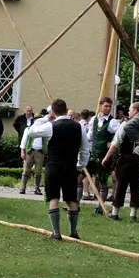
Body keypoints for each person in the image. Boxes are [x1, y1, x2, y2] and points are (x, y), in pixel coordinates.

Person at [26, 99, 90, 240]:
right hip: (71, 166)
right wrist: (80, 166)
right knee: (71, 199)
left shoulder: (50, 126)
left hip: (54, 166)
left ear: (53, 112)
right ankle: (73, 232)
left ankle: (56, 232)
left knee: (53, 197)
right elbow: (85, 149)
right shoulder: (79, 127)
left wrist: (43, 119)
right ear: (67, 109)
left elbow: (31, 133)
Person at [88, 97, 121, 207]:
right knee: (81, 177)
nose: (108, 108)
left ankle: (100, 207)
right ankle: (75, 204)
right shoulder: (94, 119)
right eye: (106, 106)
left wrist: (111, 141)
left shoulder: (112, 122)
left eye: (109, 106)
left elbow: (120, 135)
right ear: (100, 106)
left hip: (104, 155)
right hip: (93, 153)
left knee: (102, 180)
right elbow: (90, 136)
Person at [19, 108, 49, 195]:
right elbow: (23, 141)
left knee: (38, 171)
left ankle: (37, 188)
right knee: (26, 170)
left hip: (40, 151)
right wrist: (22, 151)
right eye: (37, 119)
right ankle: (23, 187)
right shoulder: (28, 129)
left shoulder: (44, 130)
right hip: (30, 151)